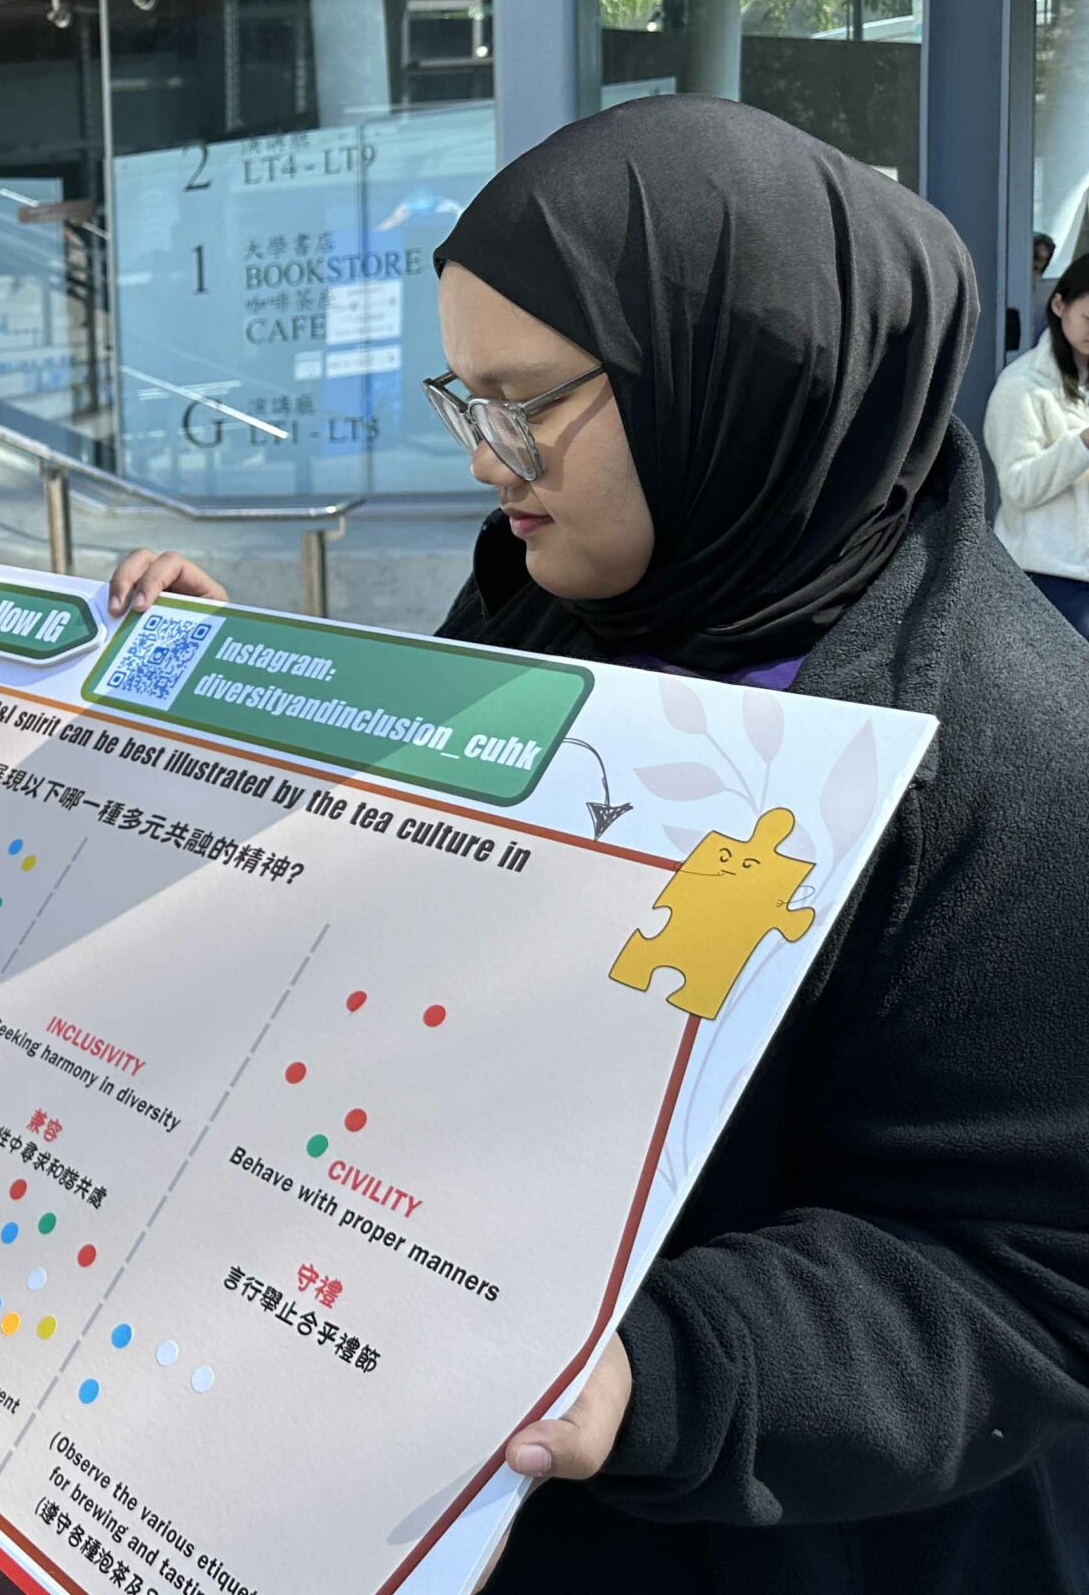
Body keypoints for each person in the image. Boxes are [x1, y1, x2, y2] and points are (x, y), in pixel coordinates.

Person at [109, 95, 1089, 1594]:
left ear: (737, 379)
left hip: (807, 1539)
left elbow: (1021, 1281)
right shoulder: (563, 594)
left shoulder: (1016, 755)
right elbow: (425, 867)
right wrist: (230, 705)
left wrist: (651, 1381)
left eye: (527, 403)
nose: (488, 463)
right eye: (464, 398)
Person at [986, 252, 1089, 636]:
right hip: (1047, 579)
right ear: (1059, 304)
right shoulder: (1021, 387)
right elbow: (1018, 486)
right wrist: (1081, 443)